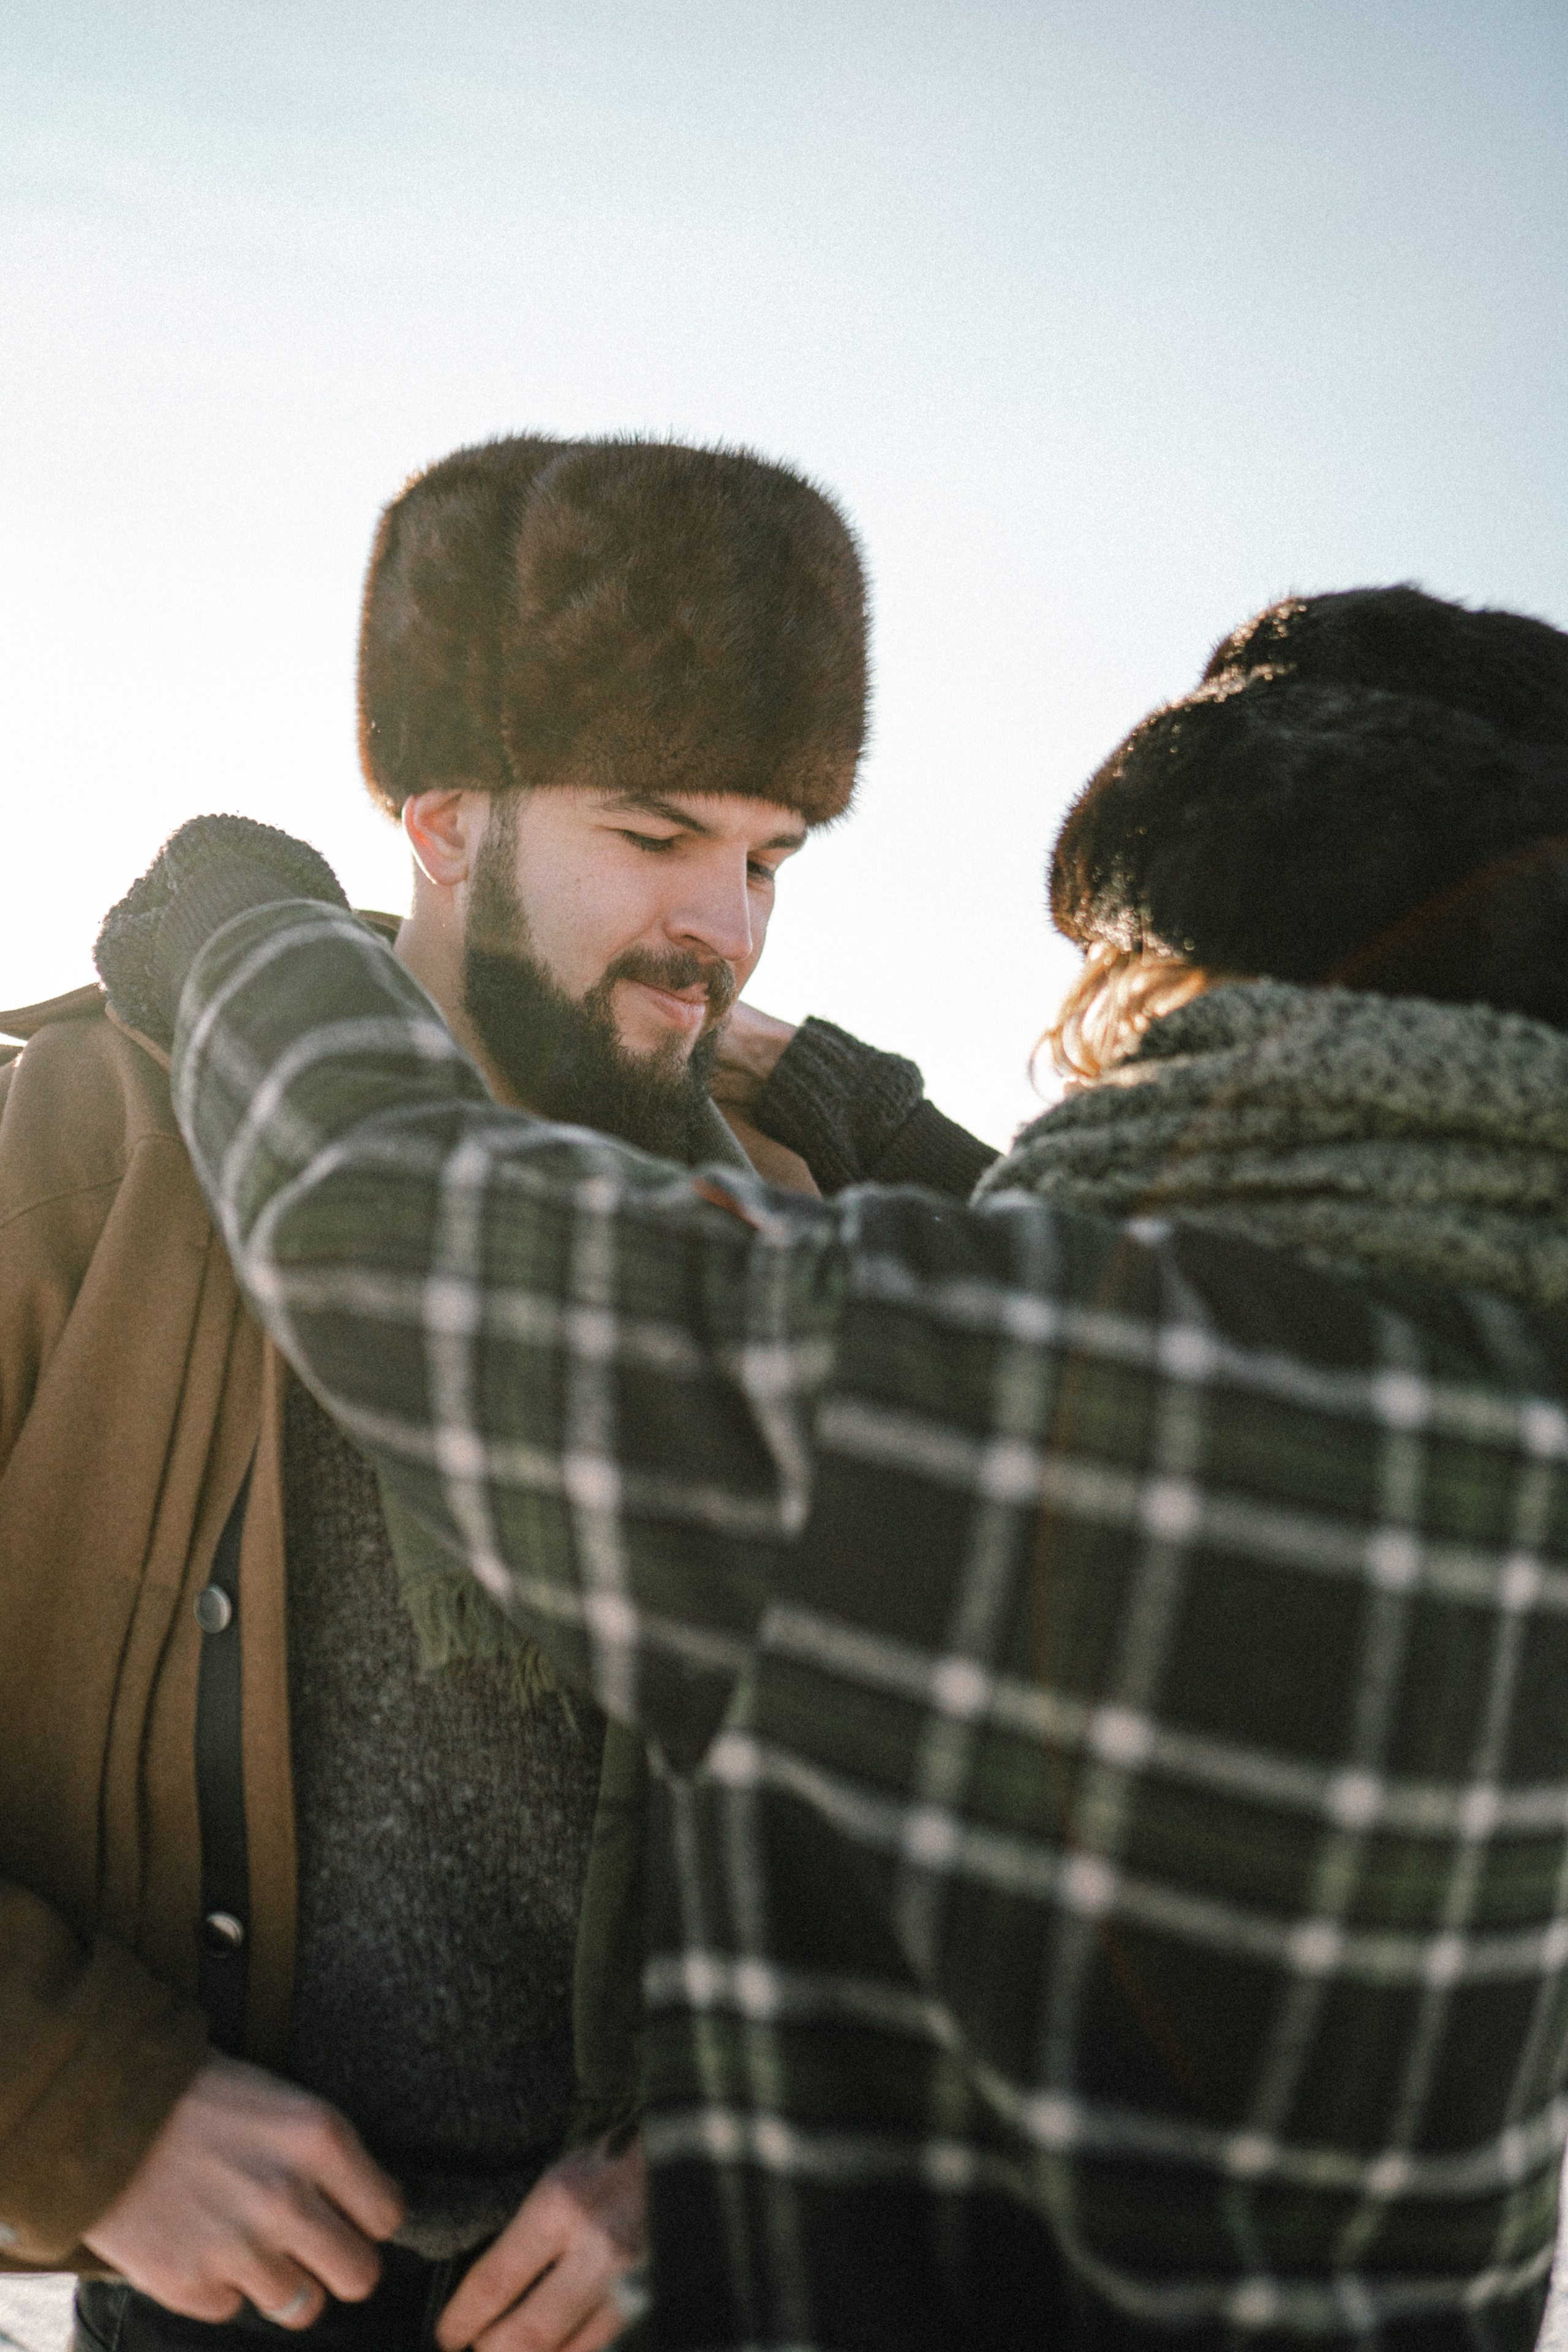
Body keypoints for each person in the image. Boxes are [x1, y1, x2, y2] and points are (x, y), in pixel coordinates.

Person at [99, 582, 1568, 2351]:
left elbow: (379, 1210)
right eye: (656, 836)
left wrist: (238, 917)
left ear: (1196, 989)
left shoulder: (1006, 1381)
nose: (722, 920)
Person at [0, 433, 873, 2352]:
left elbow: (942, 1818)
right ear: (445, 811)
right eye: (656, 839)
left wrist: (727, 2148)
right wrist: (75, 2109)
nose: (724, 929)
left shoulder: (792, 1213)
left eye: (767, 859)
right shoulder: (83, 1153)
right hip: (211, 2307)